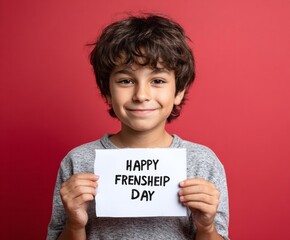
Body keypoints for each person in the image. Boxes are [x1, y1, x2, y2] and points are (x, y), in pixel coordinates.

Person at [47, 13, 229, 240]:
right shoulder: (79, 161)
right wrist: (75, 224)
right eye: (126, 81)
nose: (141, 95)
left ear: (179, 92)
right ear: (107, 92)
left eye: (158, 81)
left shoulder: (203, 162)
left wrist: (206, 227)